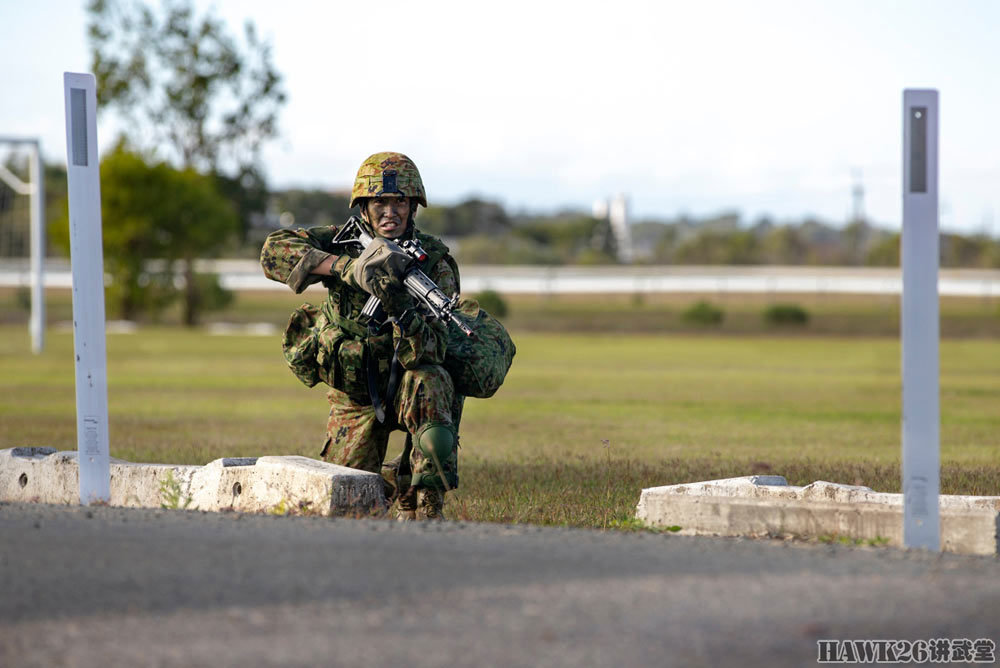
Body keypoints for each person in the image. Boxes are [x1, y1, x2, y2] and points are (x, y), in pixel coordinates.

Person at [260, 152, 462, 520]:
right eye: (379, 202)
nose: (390, 212)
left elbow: (434, 348)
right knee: (349, 504)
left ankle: (425, 501)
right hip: (355, 394)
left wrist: (401, 305)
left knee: (433, 385)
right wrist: (346, 268)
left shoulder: (433, 262)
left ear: (413, 207)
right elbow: (273, 252)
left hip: (406, 383)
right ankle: (389, 480)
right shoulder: (343, 241)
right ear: (364, 208)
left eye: (399, 201)